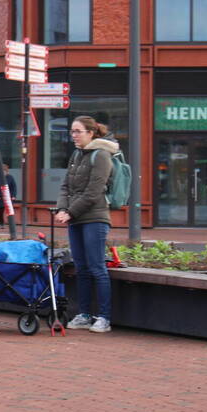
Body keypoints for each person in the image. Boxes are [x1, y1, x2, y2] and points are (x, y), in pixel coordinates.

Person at [57, 115, 117, 334]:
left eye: (78, 131)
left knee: (97, 268)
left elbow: (94, 192)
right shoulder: (76, 154)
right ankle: (83, 314)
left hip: (95, 218)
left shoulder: (101, 155)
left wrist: (70, 211)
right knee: (81, 268)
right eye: (72, 131)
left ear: (90, 133)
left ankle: (104, 317)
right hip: (75, 218)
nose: (73, 136)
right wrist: (63, 209)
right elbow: (66, 186)